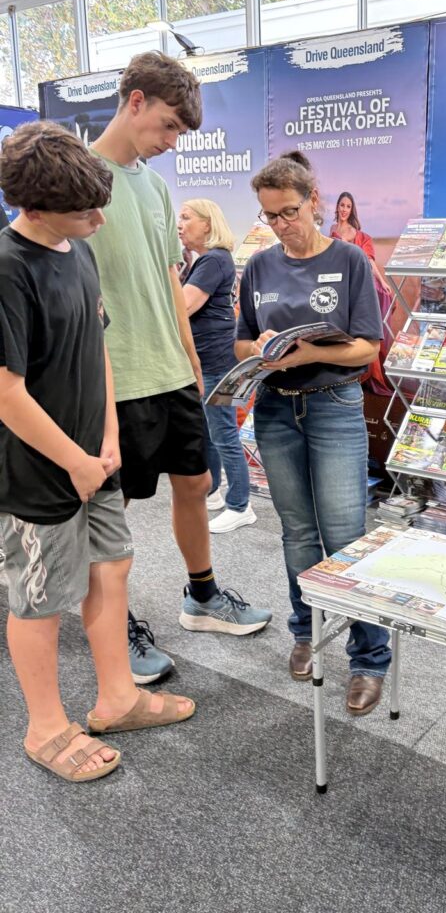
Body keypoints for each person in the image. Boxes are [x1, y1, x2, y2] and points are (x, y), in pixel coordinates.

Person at [0, 122, 193, 782]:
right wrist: (75, 460)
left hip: (94, 458)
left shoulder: (77, 249)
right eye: (85, 209)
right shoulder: (6, 269)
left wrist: (106, 440)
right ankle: (46, 728)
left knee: (112, 568)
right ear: (34, 206)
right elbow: (7, 393)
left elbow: (96, 346)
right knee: (40, 599)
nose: (98, 217)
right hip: (36, 474)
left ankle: (118, 697)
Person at [89, 52, 271, 684]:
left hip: (171, 370)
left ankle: (202, 596)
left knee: (194, 484)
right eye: (167, 126)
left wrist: (192, 361)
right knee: (112, 515)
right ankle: (116, 629)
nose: (170, 143)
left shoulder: (157, 186)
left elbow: (171, 280)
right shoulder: (79, 178)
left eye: (179, 134)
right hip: (113, 377)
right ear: (134, 100)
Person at [237, 154, 391, 716]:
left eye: (289, 212)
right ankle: (306, 630)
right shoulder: (258, 266)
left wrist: (306, 351)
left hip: (333, 407)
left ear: (315, 201)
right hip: (276, 408)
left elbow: (366, 347)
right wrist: (260, 353)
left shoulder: (349, 259)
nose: (281, 224)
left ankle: (369, 658)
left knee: (348, 536)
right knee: (297, 532)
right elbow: (240, 343)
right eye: (270, 215)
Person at [177, 198, 256, 534]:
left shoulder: (213, 260)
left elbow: (182, 306)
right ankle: (213, 491)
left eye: (186, 217)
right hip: (210, 358)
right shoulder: (205, 261)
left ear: (207, 224)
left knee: (222, 431)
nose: (179, 224)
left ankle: (241, 504)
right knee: (209, 430)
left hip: (217, 359)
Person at [329, 188, 393, 395]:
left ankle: (369, 371)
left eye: (348, 206)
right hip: (339, 282)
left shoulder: (360, 236)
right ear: (337, 207)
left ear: (352, 209)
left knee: (375, 301)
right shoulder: (332, 230)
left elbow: (369, 261)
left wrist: (382, 281)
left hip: (359, 280)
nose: (344, 209)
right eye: (342, 205)